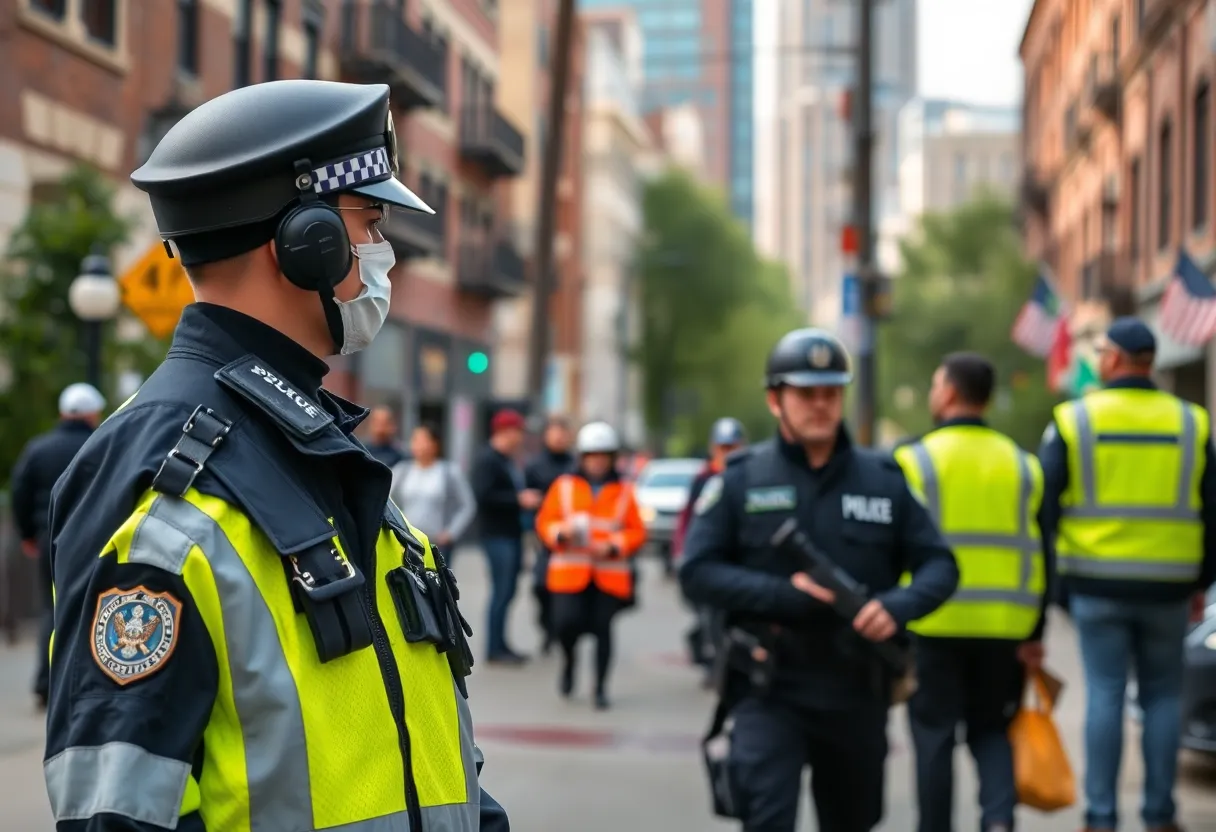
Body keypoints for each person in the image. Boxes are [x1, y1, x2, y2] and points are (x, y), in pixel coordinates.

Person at [42, 79, 508, 831]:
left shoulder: (313, 443)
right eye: (369, 221)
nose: (382, 250)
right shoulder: (165, 469)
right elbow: (117, 808)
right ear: (306, 243)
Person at [680, 327, 959, 832]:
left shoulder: (884, 479)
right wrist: (784, 596)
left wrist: (895, 607)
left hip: (855, 689)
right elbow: (696, 571)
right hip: (769, 686)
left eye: (831, 393)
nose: (820, 405)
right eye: (805, 393)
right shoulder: (743, 478)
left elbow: (941, 565)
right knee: (766, 818)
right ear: (774, 400)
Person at [1039, 316, 1216, 832]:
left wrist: (1057, 587)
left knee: (1106, 694)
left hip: (1096, 586)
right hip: (1169, 589)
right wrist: (1201, 584)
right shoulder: (1192, 422)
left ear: (1114, 360)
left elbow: (1043, 509)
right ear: (1150, 363)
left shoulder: (1075, 421)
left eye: (1100, 353)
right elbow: (1213, 511)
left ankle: (1100, 816)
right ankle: (1160, 815)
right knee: (1163, 696)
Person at [894, 353, 1047, 832]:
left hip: (932, 622)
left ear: (950, 393)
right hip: (1005, 626)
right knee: (991, 731)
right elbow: (1040, 551)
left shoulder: (913, 460)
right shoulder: (1023, 465)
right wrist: (1035, 630)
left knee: (934, 737)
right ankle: (998, 822)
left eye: (936, 385)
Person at [535, 421, 646, 709]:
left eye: (603, 455)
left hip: (606, 577)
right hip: (569, 575)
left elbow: (637, 531)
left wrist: (615, 545)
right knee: (564, 625)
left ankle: (600, 688)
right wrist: (560, 533)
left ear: (611, 458)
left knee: (603, 630)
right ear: (582, 457)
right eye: (592, 455)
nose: (597, 461)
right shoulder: (564, 486)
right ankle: (569, 661)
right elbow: (545, 521)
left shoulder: (623, 491)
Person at [10, 382, 106, 710]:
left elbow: (20, 493)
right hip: (91, 540)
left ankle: (44, 683)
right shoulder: (101, 443)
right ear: (93, 413)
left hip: (47, 538)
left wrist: (28, 534)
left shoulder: (39, 448)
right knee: (90, 610)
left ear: (62, 412)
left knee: (50, 611)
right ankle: (82, 686)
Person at [674, 417, 748, 678]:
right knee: (709, 615)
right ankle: (712, 661)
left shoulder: (748, 478)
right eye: (723, 447)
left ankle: (723, 660)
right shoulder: (704, 480)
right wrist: (682, 551)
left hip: (737, 561)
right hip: (709, 557)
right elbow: (687, 519)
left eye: (733, 447)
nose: (728, 453)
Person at [471, 408, 542, 664]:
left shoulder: (507, 459)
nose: (520, 438)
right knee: (501, 591)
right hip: (496, 536)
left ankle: (501, 643)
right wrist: (518, 499)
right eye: (517, 432)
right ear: (505, 432)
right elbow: (483, 496)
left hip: (511, 534)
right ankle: (494, 648)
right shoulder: (487, 459)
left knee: (509, 590)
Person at [524, 414, 576, 653]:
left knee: (562, 589)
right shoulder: (535, 466)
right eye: (554, 432)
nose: (558, 437)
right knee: (540, 585)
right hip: (543, 535)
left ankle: (560, 629)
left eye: (563, 433)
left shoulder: (574, 466)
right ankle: (546, 626)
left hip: (572, 537)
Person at [389, 422, 477, 553]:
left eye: (422, 440)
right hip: (407, 541)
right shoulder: (402, 470)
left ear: (435, 444)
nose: (417, 445)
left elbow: (467, 505)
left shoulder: (448, 472)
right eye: (415, 440)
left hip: (437, 544)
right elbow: (387, 499)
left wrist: (451, 533)